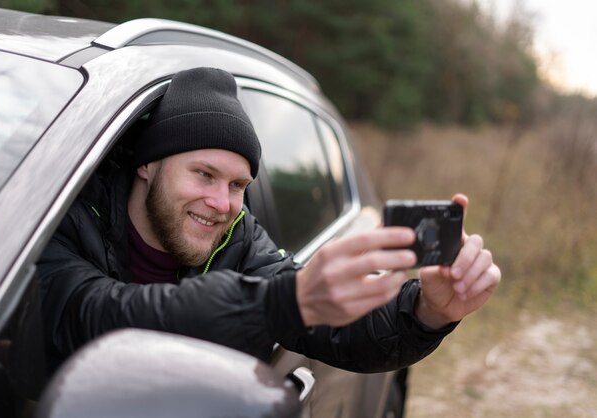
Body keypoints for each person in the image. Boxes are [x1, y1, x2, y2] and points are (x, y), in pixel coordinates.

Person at [37, 67, 501, 373]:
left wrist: (426, 311)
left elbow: (340, 329)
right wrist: (278, 304)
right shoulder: (61, 222)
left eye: (238, 185)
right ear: (147, 164)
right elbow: (93, 314)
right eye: (203, 174)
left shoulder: (239, 242)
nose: (221, 203)